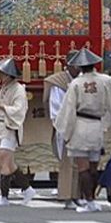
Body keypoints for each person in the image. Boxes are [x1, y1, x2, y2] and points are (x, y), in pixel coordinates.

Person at [54, 48, 111, 213]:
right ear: (94, 64)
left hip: (80, 124)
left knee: (82, 167)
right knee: (93, 167)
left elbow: (69, 109)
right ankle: (92, 199)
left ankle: (89, 201)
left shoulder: (76, 84)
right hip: (96, 125)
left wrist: (65, 131)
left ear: (79, 67)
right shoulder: (105, 80)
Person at [0, 57, 36, 207]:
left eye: (2, 73)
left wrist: (0, 106)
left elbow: (19, 110)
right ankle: (27, 189)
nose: (0, 76)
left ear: (8, 75)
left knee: (4, 159)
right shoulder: (6, 87)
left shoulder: (18, 89)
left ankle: (4, 196)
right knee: (9, 163)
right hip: (2, 126)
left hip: (10, 127)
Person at [43, 50, 81, 208]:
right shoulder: (58, 82)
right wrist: (65, 128)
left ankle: (80, 195)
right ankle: (67, 195)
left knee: (81, 163)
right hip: (65, 126)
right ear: (69, 65)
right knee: (67, 162)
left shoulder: (82, 80)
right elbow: (56, 109)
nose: (79, 68)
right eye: (76, 65)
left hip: (82, 125)